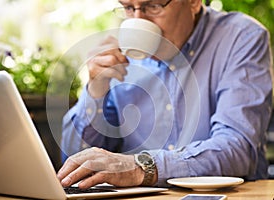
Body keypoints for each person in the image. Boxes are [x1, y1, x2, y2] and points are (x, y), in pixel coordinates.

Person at [57, 0, 273, 189]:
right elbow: (72, 163)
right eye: (128, 8)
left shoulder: (241, 38)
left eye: (153, 6)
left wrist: (141, 168)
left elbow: (238, 148)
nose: (139, 20)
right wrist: (95, 90)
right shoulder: (117, 57)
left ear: (194, 2)